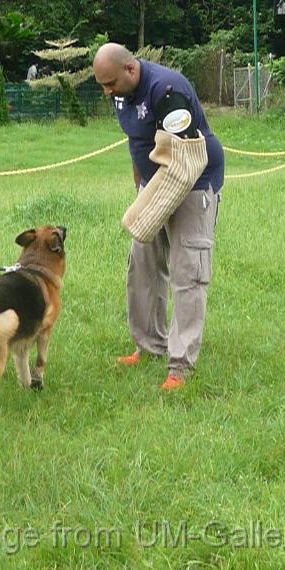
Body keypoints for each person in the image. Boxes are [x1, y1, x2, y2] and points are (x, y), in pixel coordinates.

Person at [92, 43, 224, 390]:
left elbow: (184, 159)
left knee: (188, 271)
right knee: (142, 267)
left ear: (130, 71)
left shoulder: (167, 90)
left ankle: (180, 367)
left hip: (193, 181)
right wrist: (140, 192)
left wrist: (156, 208)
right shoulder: (120, 90)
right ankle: (149, 345)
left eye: (110, 84)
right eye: (102, 85)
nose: (106, 92)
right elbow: (137, 142)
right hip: (154, 184)